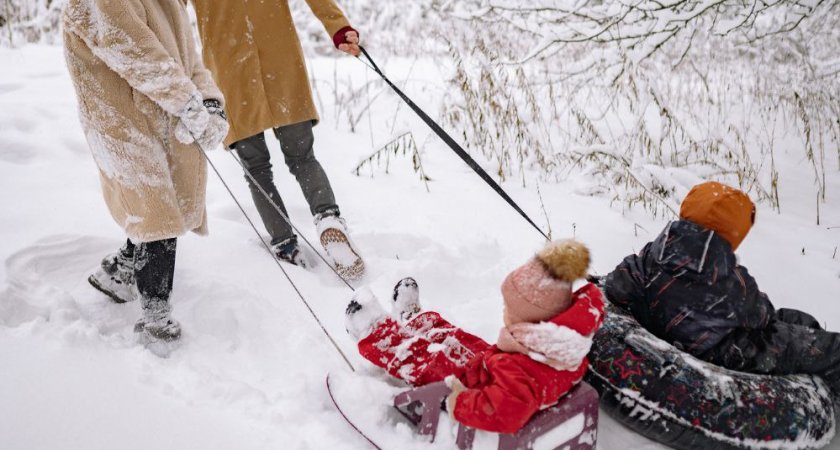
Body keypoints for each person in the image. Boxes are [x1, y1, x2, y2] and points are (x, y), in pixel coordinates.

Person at [63, 0, 229, 344]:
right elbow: (136, 53)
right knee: (156, 211)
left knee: (162, 205)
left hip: (162, 111)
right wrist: (187, 103)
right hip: (119, 119)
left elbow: (189, 60)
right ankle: (156, 322)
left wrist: (210, 104)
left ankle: (119, 271)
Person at [604, 181, 840, 397]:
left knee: (791, 320)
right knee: (813, 342)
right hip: (720, 351)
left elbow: (618, 283)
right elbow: (762, 316)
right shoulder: (732, 280)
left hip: (673, 330)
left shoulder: (654, 253)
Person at [345, 240, 605, 433]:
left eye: (510, 311)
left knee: (424, 360)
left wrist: (459, 402)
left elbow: (505, 411)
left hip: (475, 388)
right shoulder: (560, 345)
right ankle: (415, 323)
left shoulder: (523, 371)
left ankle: (377, 334)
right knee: (457, 338)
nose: (505, 313)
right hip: (494, 368)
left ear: (533, 322)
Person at [189, 0, 364, 279]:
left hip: (231, 72)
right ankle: (328, 217)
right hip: (279, 64)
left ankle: (285, 245)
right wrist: (338, 27)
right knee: (302, 158)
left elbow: (164, 11)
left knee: (256, 169)